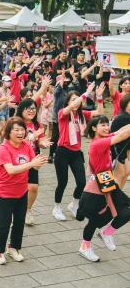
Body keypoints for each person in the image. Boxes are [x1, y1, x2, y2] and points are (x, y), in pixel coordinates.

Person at [0, 117, 48, 265]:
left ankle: (14, 248)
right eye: (16, 130)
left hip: (21, 192)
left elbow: (34, 166)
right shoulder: (3, 148)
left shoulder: (26, 146)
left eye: (22, 130)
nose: (20, 132)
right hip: (4, 193)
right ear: (8, 132)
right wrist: (32, 163)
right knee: (3, 224)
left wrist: (39, 162)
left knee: (19, 222)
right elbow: (11, 170)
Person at [76, 116, 130, 262]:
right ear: (94, 128)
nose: (107, 127)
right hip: (96, 188)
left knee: (125, 211)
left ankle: (106, 233)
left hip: (106, 180)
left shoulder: (104, 138)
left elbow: (120, 131)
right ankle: (85, 247)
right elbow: (124, 135)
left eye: (107, 124)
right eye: (102, 125)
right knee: (94, 220)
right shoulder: (97, 143)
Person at [52, 82, 105, 221]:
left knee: (81, 182)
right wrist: (85, 93)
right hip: (62, 151)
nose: (76, 102)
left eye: (77, 100)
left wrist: (99, 97)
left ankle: (74, 205)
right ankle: (57, 207)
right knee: (62, 182)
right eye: (72, 100)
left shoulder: (82, 115)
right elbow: (69, 108)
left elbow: (99, 113)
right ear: (68, 102)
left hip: (76, 153)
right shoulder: (62, 114)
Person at [15, 99, 52, 226]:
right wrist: (32, 136)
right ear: (22, 109)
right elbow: (15, 141)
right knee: (17, 186)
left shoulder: (37, 125)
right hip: (17, 158)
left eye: (34, 109)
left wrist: (43, 143)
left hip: (33, 158)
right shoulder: (16, 123)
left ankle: (27, 210)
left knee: (33, 187)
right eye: (28, 108)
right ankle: (14, 209)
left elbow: (40, 141)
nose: (31, 111)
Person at [110, 94, 130, 189]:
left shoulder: (125, 116)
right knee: (119, 176)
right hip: (117, 150)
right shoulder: (124, 118)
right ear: (126, 104)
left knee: (126, 173)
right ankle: (113, 201)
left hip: (123, 150)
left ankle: (118, 197)